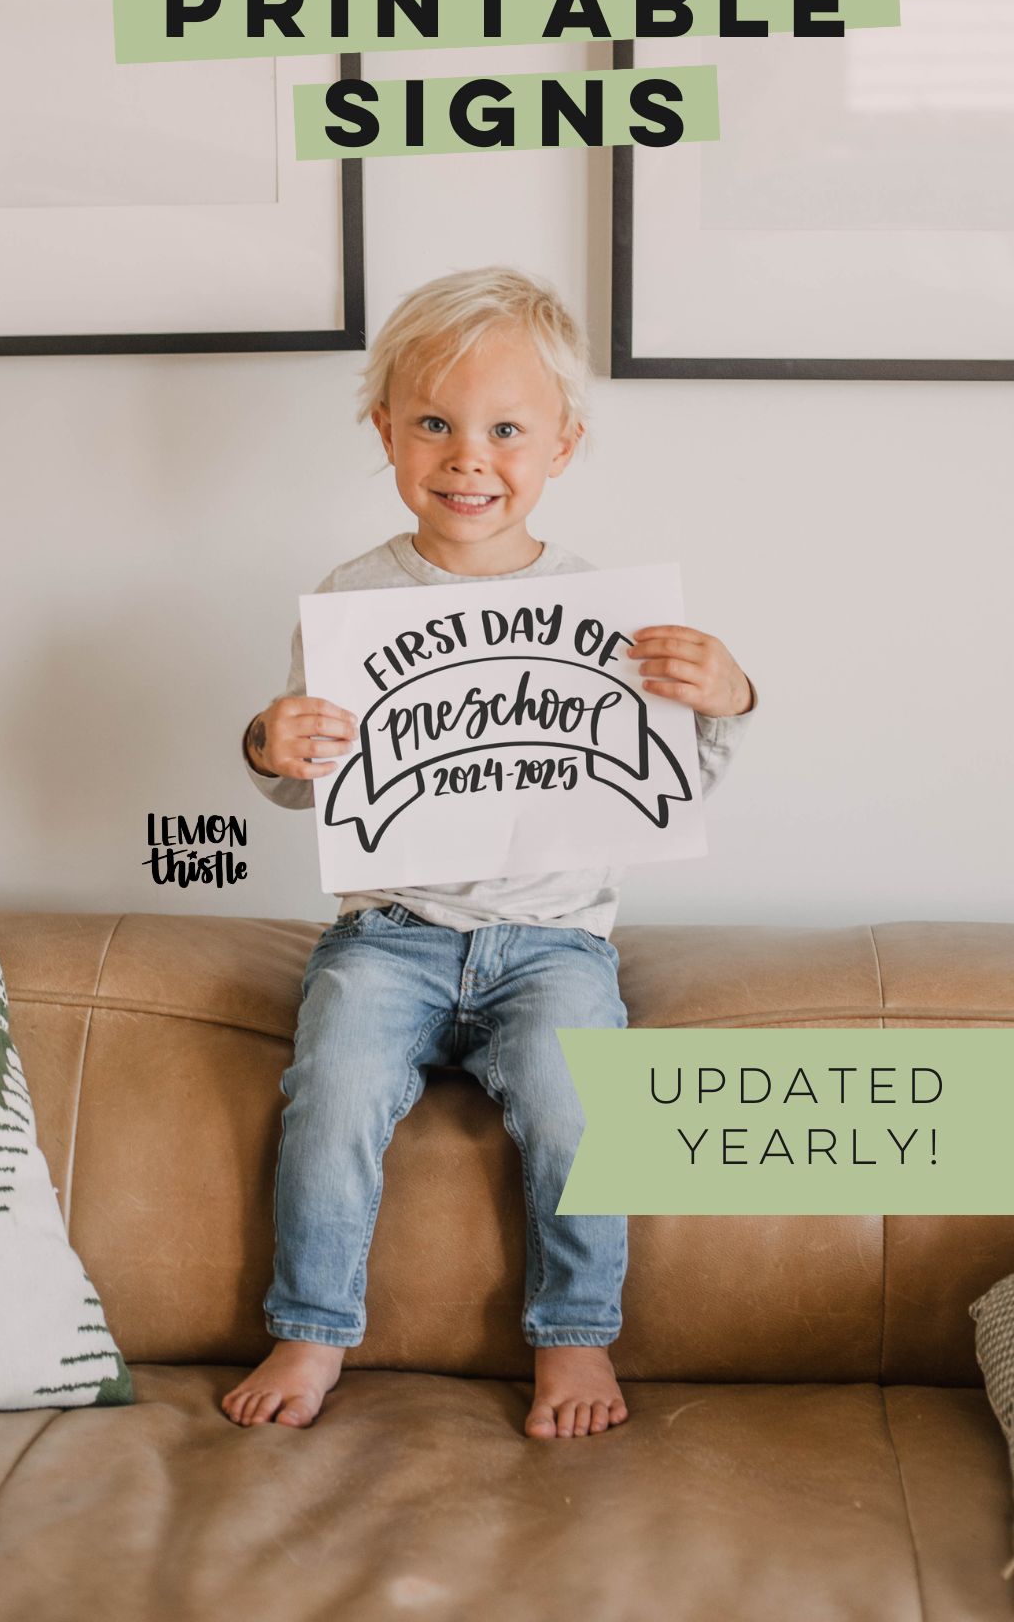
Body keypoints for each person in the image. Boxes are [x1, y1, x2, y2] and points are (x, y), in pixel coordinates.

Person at [222, 266, 757, 1439]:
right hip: (390, 933)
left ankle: (576, 1337)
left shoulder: (605, 609)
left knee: (582, 1110)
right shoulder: (351, 597)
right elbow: (305, 781)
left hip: (555, 941)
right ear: (386, 433)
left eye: (506, 430)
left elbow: (663, 786)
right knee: (332, 1093)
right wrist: (271, 741)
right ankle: (311, 1327)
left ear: (563, 445)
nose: (469, 458)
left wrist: (728, 699)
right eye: (434, 424)